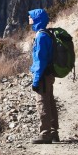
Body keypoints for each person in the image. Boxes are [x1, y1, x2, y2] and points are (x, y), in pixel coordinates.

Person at [29, 8, 59, 144]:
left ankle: (45, 134)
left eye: (31, 17)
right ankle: (54, 132)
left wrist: (36, 81)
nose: (29, 18)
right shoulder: (46, 34)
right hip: (48, 74)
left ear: (37, 19)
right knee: (50, 102)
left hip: (43, 75)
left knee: (42, 103)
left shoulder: (40, 37)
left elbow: (40, 61)